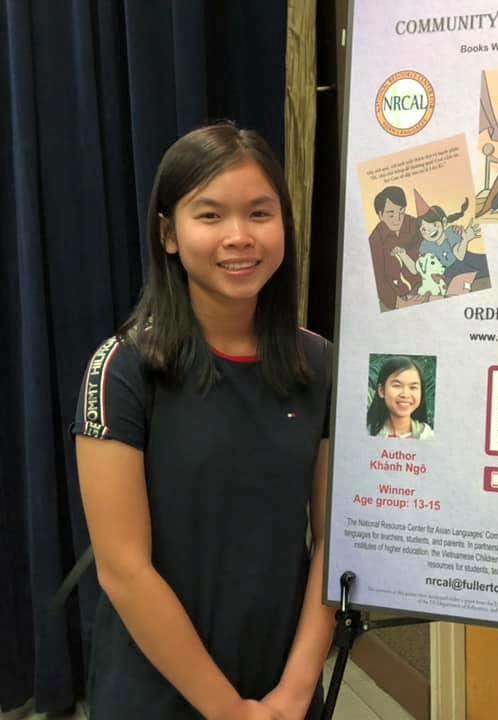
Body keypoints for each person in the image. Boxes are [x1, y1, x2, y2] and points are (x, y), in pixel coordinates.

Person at [72, 124, 335, 719]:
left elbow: (334, 541)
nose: (239, 237)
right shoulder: (123, 370)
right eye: (210, 216)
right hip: (157, 687)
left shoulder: (319, 364)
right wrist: (230, 711)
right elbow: (123, 569)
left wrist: (293, 694)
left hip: (280, 685)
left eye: (260, 213)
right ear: (168, 233)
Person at [367, 185, 420, 310]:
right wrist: (400, 304)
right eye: (391, 215)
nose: (397, 220)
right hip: (396, 300)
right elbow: (378, 282)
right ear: (380, 214)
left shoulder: (415, 225)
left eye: (401, 212)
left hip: (423, 290)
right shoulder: (375, 240)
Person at [366, 356, 434, 439]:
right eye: (397, 385)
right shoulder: (366, 434)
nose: (405, 394)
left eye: (413, 387)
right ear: (381, 390)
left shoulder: (427, 436)